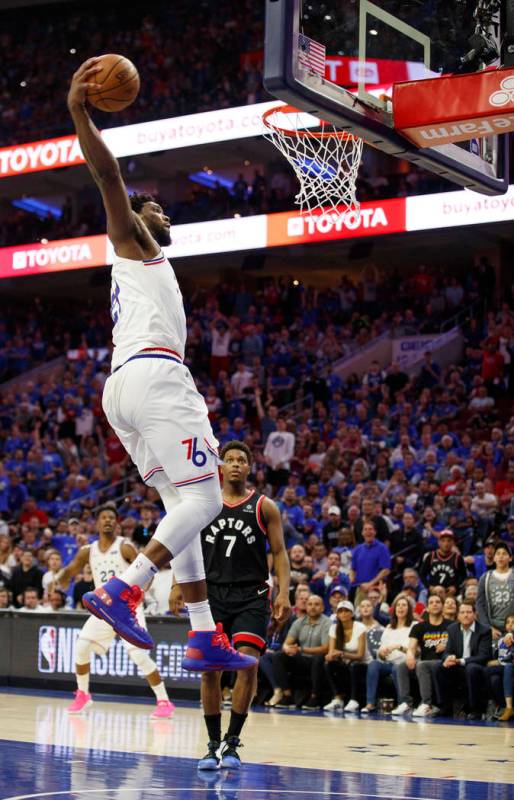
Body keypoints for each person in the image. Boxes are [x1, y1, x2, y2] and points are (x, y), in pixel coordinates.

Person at [66, 59, 254, 674]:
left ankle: (202, 636)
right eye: (156, 210)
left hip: (123, 388)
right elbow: (107, 173)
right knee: (206, 499)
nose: (164, 216)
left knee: (183, 503)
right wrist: (79, 111)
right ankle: (128, 587)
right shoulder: (135, 242)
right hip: (154, 377)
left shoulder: (140, 266)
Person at [169, 441, 290, 770]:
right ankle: (211, 745)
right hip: (210, 595)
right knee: (211, 671)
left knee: (248, 665)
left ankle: (232, 743)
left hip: (251, 595)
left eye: (242, 460)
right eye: (230, 459)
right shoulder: (203, 505)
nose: (236, 464)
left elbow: (279, 553)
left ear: (250, 468)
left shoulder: (265, 507)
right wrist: (176, 583)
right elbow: (180, 541)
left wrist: (283, 593)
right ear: (220, 467)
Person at [54, 504, 174, 718]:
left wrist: (141, 591)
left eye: (112, 517)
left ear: (117, 523)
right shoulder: (87, 551)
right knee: (81, 646)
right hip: (104, 607)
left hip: (128, 609)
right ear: (97, 523)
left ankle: (164, 701)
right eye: (104, 517)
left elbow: (148, 569)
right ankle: (83, 694)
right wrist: (60, 579)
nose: (108, 520)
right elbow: (71, 570)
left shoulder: (125, 547)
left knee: (138, 655)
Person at [268, 595, 330, 710]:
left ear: (322, 608)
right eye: (310, 604)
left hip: (318, 660)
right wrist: (287, 648)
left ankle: (314, 697)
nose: (313, 607)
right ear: (306, 607)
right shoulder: (299, 622)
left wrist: (301, 649)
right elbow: (287, 642)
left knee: (319, 658)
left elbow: (326, 648)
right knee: (278, 656)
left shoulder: (327, 622)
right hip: (302, 659)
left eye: (317, 604)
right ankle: (287, 695)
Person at [392, 594, 450, 717]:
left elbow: (457, 646)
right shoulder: (419, 627)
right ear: (427, 608)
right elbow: (412, 647)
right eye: (431, 602)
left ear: (442, 606)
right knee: (402, 666)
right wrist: (410, 656)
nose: (435, 604)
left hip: (443, 663)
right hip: (424, 664)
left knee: (422, 665)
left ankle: (426, 704)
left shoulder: (451, 625)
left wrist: (447, 646)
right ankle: (406, 703)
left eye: (438, 602)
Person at [434, 600, 492, 719]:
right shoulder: (452, 629)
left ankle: (475, 709)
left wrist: (461, 661)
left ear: (475, 614)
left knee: (471, 668)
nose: (465, 615)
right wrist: (448, 657)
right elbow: (447, 651)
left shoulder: (484, 630)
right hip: (458, 666)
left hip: (476, 666)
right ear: (458, 615)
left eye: (469, 612)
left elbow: (483, 656)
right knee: (439, 667)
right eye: (462, 612)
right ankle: (445, 707)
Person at [362, 595, 414, 714]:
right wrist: (381, 653)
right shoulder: (389, 627)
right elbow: (381, 653)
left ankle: (403, 704)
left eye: (404, 605)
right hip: (388, 663)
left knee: (397, 667)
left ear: (409, 609)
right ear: (394, 609)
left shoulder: (414, 626)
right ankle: (370, 703)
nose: (400, 608)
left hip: (405, 663)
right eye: (398, 605)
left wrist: (397, 647)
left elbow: (415, 650)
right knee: (374, 664)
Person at [323, 600, 370, 712]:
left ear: (352, 613)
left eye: (346, 611)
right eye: (340, 611)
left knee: (354, 666)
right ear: (337, 614)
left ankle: (354, 700)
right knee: (328, 664)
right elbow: (331, 652)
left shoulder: (360, 627)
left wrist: (342, 654)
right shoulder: (334, 628)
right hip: (345, 663)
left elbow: (360, 655)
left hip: (363, 663)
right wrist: (329, 656)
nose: (343, 614)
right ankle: (338, 698)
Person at [476, 542, 514, 640]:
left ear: (510, 558)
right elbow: (480, 605)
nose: (501, 556)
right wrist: (488, 627)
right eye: (498, 554)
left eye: (504, 553)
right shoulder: (485, 577)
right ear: (494, 558)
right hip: (493, 627)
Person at [419, 529, 467, 596]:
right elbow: (422, 574)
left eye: (449, 541)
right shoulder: (431, 556)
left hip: (450, 594)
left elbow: (464, 576)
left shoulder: (457, 558)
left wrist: (455, 586)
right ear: (439, 542)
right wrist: (429, 586)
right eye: (443, 541)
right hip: (434, 592)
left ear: (453, 542)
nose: (446, 543)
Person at [497, 613, 514, 721]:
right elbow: (501, 658)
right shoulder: (501, 640)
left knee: (508, 667)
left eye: (513, 622)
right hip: (506, 665)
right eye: (508, 622)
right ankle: (507, 707)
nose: (510, 625)